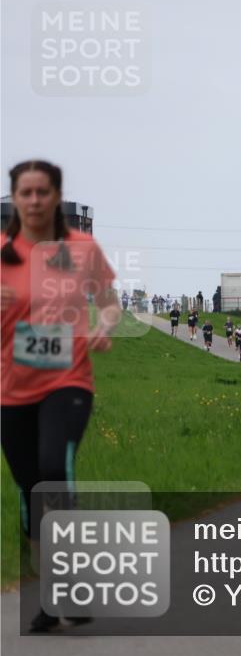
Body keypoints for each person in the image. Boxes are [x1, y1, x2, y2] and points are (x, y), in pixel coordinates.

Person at [1, 160, 120, 632]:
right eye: (24, 193)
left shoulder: (82, 248)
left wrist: (104, 327)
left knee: (54, 469)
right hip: (12, 389)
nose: (34, 200)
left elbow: (109, 305)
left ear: (55, 196)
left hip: (68, 380)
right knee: (31, 497)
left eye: (42, 192)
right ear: (15, 198)